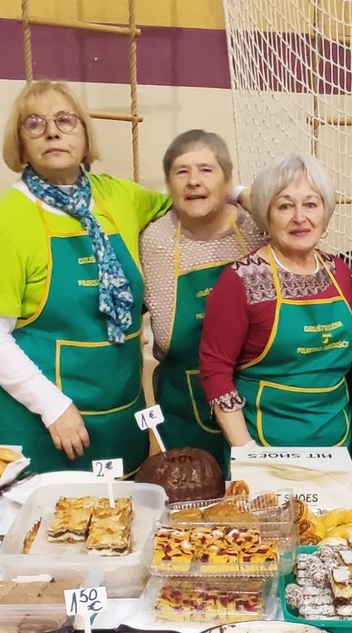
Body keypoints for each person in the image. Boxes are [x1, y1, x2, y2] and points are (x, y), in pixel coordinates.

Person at [0, 80, 170, 473]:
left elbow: (191, 200)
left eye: (65, 120)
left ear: (85, 133)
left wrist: (243, 193)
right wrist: (52, 407)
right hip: (46, 427)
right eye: (34, 123)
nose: (52, 132)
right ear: (20, 143)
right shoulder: (5, 221)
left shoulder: (118, 197)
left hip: (121, 417)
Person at [197, 154, 352, 448]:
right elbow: (215, 371)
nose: (300, 217)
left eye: (311, 204)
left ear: (325, 212)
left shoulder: (340, 272)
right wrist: (246, 451)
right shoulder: (240, 281)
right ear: (266, 214)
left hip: (337, 443)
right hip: (264, 446)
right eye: (285, 206)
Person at [140, 130, 263, 461]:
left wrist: (246, 195)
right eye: (182, 171)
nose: (194, 181)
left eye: (206, 169)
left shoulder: (256, 229)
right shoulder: (154, 241)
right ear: (169, 184)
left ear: (228, 180)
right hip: (182, 409)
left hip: (255, 407)